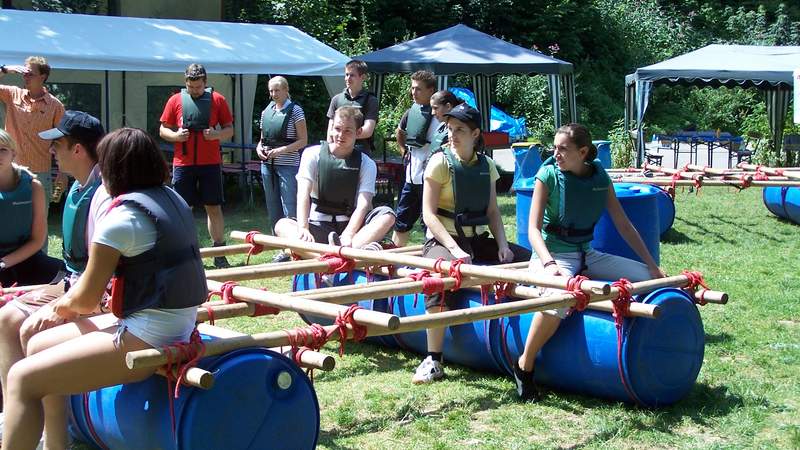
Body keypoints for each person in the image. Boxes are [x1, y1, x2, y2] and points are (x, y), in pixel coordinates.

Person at [1, 128, 207, 449]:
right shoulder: (173, 199)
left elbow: (86, 299)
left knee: (21, 378)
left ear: (113, 169)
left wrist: (54, 308)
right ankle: (56, 444)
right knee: (39, 345)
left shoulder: (122, 220)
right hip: (169, 324)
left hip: (148, 335)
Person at [514, 123, 666, 401]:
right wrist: (550, 266)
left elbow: (623, 224)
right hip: (552, 256)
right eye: (554, 148)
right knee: (556, 299)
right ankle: (525, 365)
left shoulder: (599, 176)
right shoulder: (547, 175)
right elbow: (533, 231)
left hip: (587, 254)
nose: (556, 154)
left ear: (583, 152)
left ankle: (653, 345)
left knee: (648, 277)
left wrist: (652, 265)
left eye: (563, 149)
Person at [412, 104, 531, 384]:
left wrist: (503, 245)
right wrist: (453, 249)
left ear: (476, 134)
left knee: (528, 260)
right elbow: (428, 215)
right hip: (443, 240)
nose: (453, 135)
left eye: (460, 130)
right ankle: (433, 359)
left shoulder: (486, 165)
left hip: (476, 240)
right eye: (450, 129)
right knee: (442, 276)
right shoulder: (440, 163)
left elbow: (492, 211)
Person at [0, 111, 107, 418]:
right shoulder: (77, 186)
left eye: (57, 145)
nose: (51, 151)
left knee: (33, 330)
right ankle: (14, 414)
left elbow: (102, 275)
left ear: (77, 150)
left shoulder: (103, 192)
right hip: (74, 280)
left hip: (97, 290)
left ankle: (51, 426)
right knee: (7, 319)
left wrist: (64, 306)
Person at [274, 106, 395, 254]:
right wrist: (303, 227)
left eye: (347, 131)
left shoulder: (367, 163)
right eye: (337, 129)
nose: (340, 135)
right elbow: (303, 194)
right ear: (331, 128)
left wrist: (349, 233)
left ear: (358, 133)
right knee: (282, 225)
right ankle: (325, 259)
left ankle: (342, 252)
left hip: (351, 230)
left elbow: (363, 204)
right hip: (318, 225)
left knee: (388, 215)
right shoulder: (312, 154)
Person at [159, 63, 234, 268]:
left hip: (210, 163)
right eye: (191, 87)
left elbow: (229, 130)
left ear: (205, 83)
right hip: (183, 164)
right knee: (183, 208)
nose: (195, 91)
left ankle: (219, 252)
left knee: (213, 207)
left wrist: (215, 134)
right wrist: (175, 136)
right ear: (186, 83)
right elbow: (162, 129)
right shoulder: (175, 100)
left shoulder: (218, 100)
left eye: (198, 87)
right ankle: (184, 252)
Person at [0, 56, 66, 243]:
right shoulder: (12, 94)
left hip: (40, 173)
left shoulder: (55, 105)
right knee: (8, 220)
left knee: (39, 223)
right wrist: (6, 70)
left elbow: (62, 140)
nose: (25, 77)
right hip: (10, 171)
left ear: (43, 76)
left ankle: (40, 266)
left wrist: (62, 172)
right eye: (24, 73)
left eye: (30, 73)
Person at [0, 129, 61, 287]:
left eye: (3, 150)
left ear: (13, 153)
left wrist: (3, 263)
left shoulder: (34, 186)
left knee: (66, 276)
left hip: (23, 257)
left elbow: (37, 240)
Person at [256, 76, 308, 262]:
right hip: (267, 166)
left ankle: (294, 248)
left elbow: (303, 140)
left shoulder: (296, 111)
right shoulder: (266, 112)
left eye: (277, 90)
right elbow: (262, 138)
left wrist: (281, 150)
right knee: (273, 206)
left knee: (290, 206)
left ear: (286, 90)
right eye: (271, 90)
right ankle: (280, 247)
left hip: (288, 165)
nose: (274, 94)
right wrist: (259, 149)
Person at [391, 70, 439, 247]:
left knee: (430, 224)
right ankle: (393, 262)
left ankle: (431, 261)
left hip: (433, 180)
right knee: (402, 221)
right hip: (411, 178)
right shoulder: (410, 112)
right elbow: (400, 131)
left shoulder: (441, 116)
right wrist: (403, 150)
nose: (413, 92)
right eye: (412, 88)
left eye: (418, 89)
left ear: (430, 90)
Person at [326, 60, 379, 156]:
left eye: (352, 75)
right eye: (346, 75)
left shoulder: (371, 100)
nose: (348, 78)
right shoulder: (336, 99)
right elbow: (330, 129)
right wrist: (330, 148)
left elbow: (368, 131)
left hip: (360, 150)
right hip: (337, 149)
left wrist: (344, 137)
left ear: (363, 77)